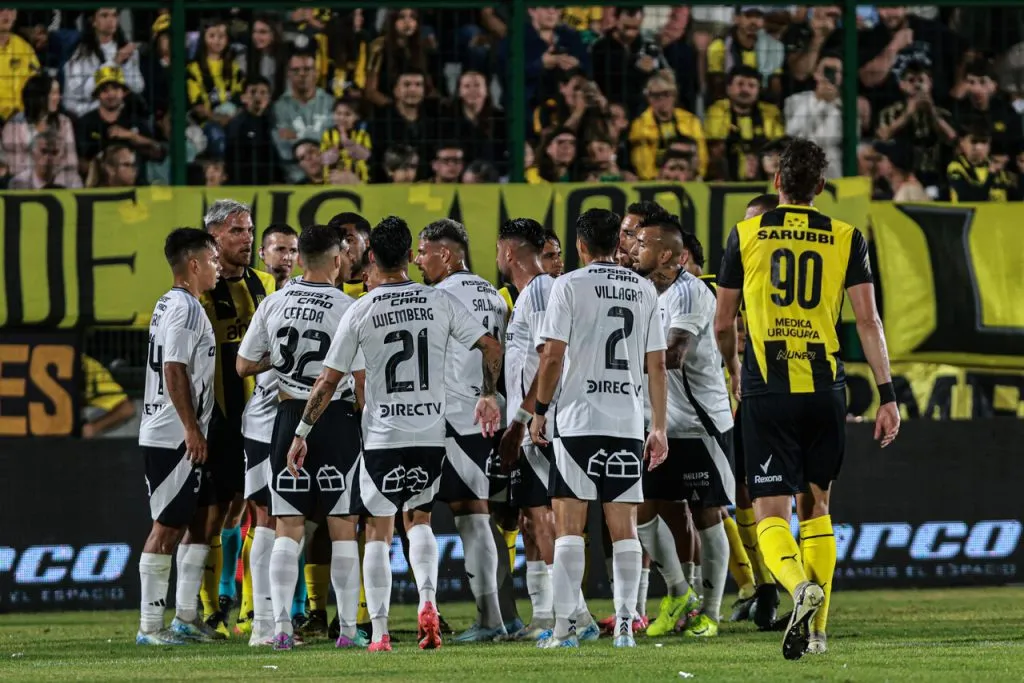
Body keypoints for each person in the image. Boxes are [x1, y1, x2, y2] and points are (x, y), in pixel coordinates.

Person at [715, 138, 901, 659]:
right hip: (825, 389)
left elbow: (723, 323)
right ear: (821, 187)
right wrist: (887, 396)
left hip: (767, 388)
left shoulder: (746, 234)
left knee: (770, 510)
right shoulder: (846, 236)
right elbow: (868, 321)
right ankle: (818, 632)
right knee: (817, 506)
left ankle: (798, 588)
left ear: (777, 184)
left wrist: (734, 373)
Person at [285, 216, 503, 652]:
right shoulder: (438, 301)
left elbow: (327, 381)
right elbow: (490, 346)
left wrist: (301, 431)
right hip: (428, 434)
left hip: (383, 437)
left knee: (379, 532)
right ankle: (427, 600)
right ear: (408, 256)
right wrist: (489, 394)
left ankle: (381, 632)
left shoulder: (361, 309)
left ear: (369, 259)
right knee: (420, 519)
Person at [530, 208, 669, 649]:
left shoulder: (568, 285)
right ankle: (626, 625)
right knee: (624, 528)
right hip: (626, 420)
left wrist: (539, 410)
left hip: (577, 419)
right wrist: (658, 426)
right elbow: (658, 364)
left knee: (569, 526)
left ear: (581, 245)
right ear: (620, 244)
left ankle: (565, 628)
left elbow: (552, 356)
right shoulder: (644, 289)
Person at [235, 225, 364, 651]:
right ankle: (347, 630)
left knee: (286, 525)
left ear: (302, 258)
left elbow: (243, 365)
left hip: (286, 415)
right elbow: (359, 377)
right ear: (334, 259)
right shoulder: (348, 307)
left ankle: (281, 629)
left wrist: (281, 357)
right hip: (337, 417)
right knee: (343, 524)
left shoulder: (275, 301)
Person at [631, 214, 734, 638]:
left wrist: (611, 365)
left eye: (644, 243)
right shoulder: (641, 293)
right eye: (634, 242)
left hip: (699, 425)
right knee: (641, 512)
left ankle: (709, 611)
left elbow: (673, 354)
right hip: (659, 425)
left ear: (669, 255)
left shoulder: (690, 293)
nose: (635, 249)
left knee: (707, 514)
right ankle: (679, 594)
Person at [414, 219, 511, 641]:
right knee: (476, 515)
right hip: (484, 419)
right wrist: (490, 394)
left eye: (424, 252)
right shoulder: (493, 293)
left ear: (446, 254)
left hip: (447, 418)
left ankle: (474, 616)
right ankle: (494, 617)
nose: (418, 260)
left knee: (414, 513)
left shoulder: (438, 297)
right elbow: (497, 353)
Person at [136, 228, 221, 646]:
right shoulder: (185, 307)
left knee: (195, 521)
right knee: (166, 527)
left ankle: (186, 617)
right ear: (193, 264)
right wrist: (191, 428)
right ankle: (150, 628)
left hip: (173, 430)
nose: (217, 267)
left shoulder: (169, 303)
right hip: (172, 434)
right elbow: (174, 368)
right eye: (212, 260)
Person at [197, 200, 277, 638]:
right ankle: (212, 609)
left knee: (258, 511)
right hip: (218, 418)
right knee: (216, 515)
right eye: (236, 231)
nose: (247, 238)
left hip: (261, 417)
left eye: (249, 230)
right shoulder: (199, 293)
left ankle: (247, 607)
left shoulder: (264, 284)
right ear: (213, 237)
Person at [232, 224, 298, 644]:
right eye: (279, 249)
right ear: (263, 253)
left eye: (293, 250)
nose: (286, 257)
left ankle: (284, 618)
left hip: (295, 422)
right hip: (265, 420)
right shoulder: (267, 300)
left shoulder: (281, 298)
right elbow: (244, 363)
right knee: (267, 519)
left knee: (291, 520)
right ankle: (262, 621)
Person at [496, 218, 559, 641]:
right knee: (533, 520)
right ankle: (543, 616)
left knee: (543, 518)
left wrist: (523, 420)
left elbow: (547, 358)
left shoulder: (537, 290)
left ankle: (565, 614)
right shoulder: (535, 292)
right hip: (536, 422)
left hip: (540, 425)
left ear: (510, 253)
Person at [727, 194, 784, 629]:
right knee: (736, 496)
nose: (751, 234)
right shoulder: (724, 278)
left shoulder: (782, 286)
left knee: (774, 495)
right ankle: (759, 585)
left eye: (758, 224)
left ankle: (785, 583)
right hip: (728, 401)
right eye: (746, 225)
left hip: (776, 394)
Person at [328, 212, 372, 298]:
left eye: (349, 240)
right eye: (337, 243)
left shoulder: (383, 289)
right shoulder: (321, 293)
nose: (344, 249)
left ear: (367, 242)